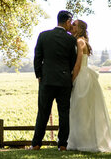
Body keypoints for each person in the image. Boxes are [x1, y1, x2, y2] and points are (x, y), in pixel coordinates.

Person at [31, 10, 78, 150]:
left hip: (47, 80)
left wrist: (39, 75)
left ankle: (36, 144)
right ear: (68, 21)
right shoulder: (71, 39)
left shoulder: (43, 36)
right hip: (64, 81)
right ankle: (62, 145)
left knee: (43, 112)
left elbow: (37, 58)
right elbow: (73, 61)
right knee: (64, 113)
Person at [67, 19, 111, 153]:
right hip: (86, 76)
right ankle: (84, 141)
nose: (71, 26)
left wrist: (72, 80)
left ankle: (83, 142)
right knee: (84, 110)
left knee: (80, 110)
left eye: (74, 24)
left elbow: (77, 64)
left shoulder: (79, 41)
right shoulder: (83, 41)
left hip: (81, 77)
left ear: (80, 28)